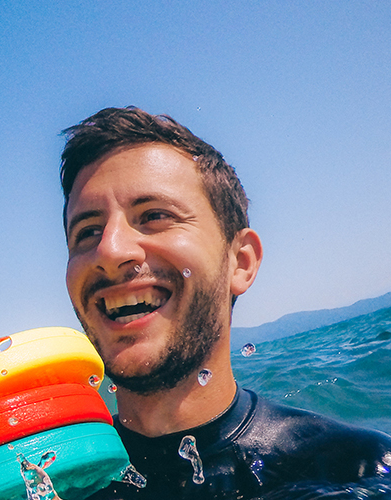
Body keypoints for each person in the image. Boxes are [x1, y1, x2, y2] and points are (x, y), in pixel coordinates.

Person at [59, 106, 391, 499]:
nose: (110, 249)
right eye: (88, 231)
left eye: (154, 215)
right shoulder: (54, 483)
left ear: (241, 262)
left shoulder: (356, 468)